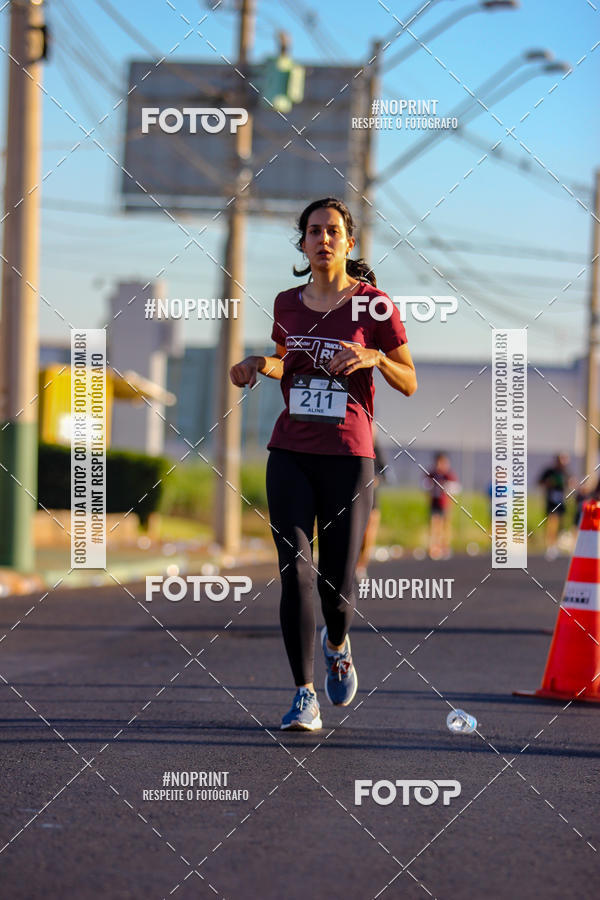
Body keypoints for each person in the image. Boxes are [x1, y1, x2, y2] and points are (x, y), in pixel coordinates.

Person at [230, 197, 417, 731]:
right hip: (290, 451)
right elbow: (286, 359)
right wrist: (254, 364)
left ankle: (338, 643)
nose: (323, 239)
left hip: (348, 456)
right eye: (313, 231)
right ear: (303, 242)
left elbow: (410, 380)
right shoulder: (287, 302)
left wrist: (376, 357)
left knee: (338, 586)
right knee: (296, 571)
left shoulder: (374, 306)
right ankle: (303, 695)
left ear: (348, 242)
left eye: (333, 231)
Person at [356, 437, 387, 580]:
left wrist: (377, 478)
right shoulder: (354, 444)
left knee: (369, 534)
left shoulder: (376, 449)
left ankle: (362, 566)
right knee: (356, 534)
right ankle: (352, 565)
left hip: (373, 499)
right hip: (355, 498)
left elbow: (384, 470)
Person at [423, 452, 459, 559]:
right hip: (434, 503)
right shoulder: (432, 474)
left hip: (445, 504)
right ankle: (434, 548)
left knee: (445, 526)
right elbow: (425, 485)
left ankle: (445, 547)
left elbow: (455, 488)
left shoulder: (449, 475)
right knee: (434, 525)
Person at [538, 453, 571, 559]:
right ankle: (550, 546)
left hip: (561, 501)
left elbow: (571, 482)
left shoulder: (565, 472)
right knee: (552, 522)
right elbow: (540, 482)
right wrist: (548, 483)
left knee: (561, 523)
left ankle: (556, 545)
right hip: (551, 501)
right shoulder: (549, 471)